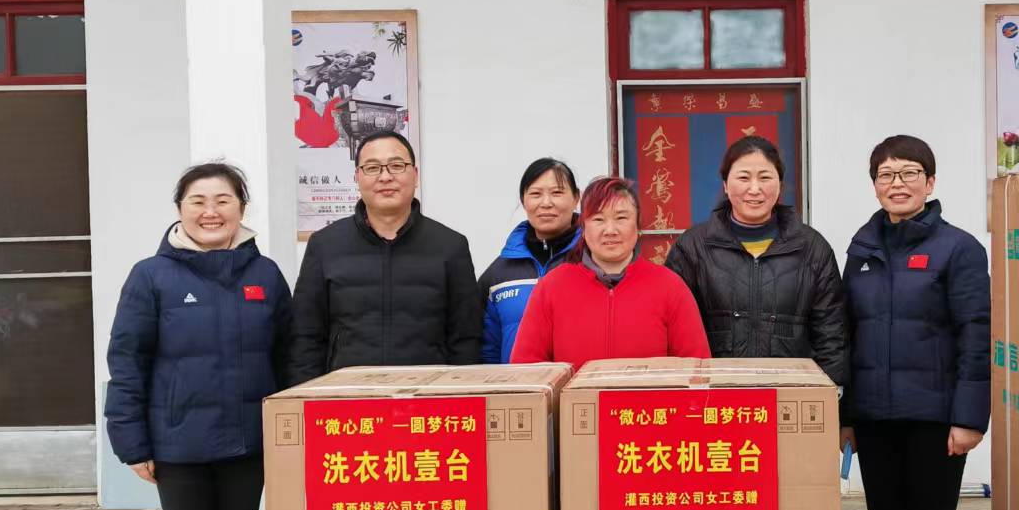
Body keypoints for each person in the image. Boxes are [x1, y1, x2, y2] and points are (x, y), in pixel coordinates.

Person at [104, 162, 291, 510]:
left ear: (242, 208)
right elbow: (127, 362)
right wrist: (132, 441)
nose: (211, 212)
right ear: (180, 210)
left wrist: (289, 436)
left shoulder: (266, 275)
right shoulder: (151, 277)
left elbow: (288, 358)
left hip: (246, 446)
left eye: (223, 200)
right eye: (198, 201)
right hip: (179, 447)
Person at [840, 135, 991, 510]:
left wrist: (969, 418)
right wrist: (847, 416)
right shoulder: (862, 247)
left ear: (930, 182)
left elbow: (977, 336)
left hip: (934, 420)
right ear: (874, 184)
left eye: (909, 172)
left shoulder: (959, 249)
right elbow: (849, 334)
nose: (897, 183)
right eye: (886, 174)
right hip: (876, 419)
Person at [288, 130, 482, 383]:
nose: (385, 176)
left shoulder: (450, 246)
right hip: (345, 396)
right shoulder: (325, 245)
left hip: (428, 396)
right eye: (372, 168)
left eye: (397, 166)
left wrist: (458, 393)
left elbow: (466, 339)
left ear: (415, 175)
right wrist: (306, 395)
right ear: (357, 177)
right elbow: (305, 337)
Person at [664, 135, 847, 386]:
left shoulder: (812, 248)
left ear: (780, 184)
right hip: (715, 395)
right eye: (743, 178)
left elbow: (832, 332)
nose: (754, 189)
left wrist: (830, 392)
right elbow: (672, 329)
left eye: (765, 177)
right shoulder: (693, 247)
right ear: (726, 185)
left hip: (790, 393)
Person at [510, 176, 710, 370]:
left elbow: (697, 371)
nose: (610, 230)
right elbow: (526, 369)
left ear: (638, 225)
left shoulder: (670, 287)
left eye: (621, 218)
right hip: (575, 395)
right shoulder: (552, 287)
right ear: (583, 228)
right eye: (598, 219)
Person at [477, 158, 581, 363]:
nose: (546, 203)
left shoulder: (594, 263)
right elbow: (487, 350)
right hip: (519, 382)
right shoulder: (499, 275)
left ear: (576, 198)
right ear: (523, 200)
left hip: (579, 382)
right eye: (535, 194)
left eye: (557, 193)